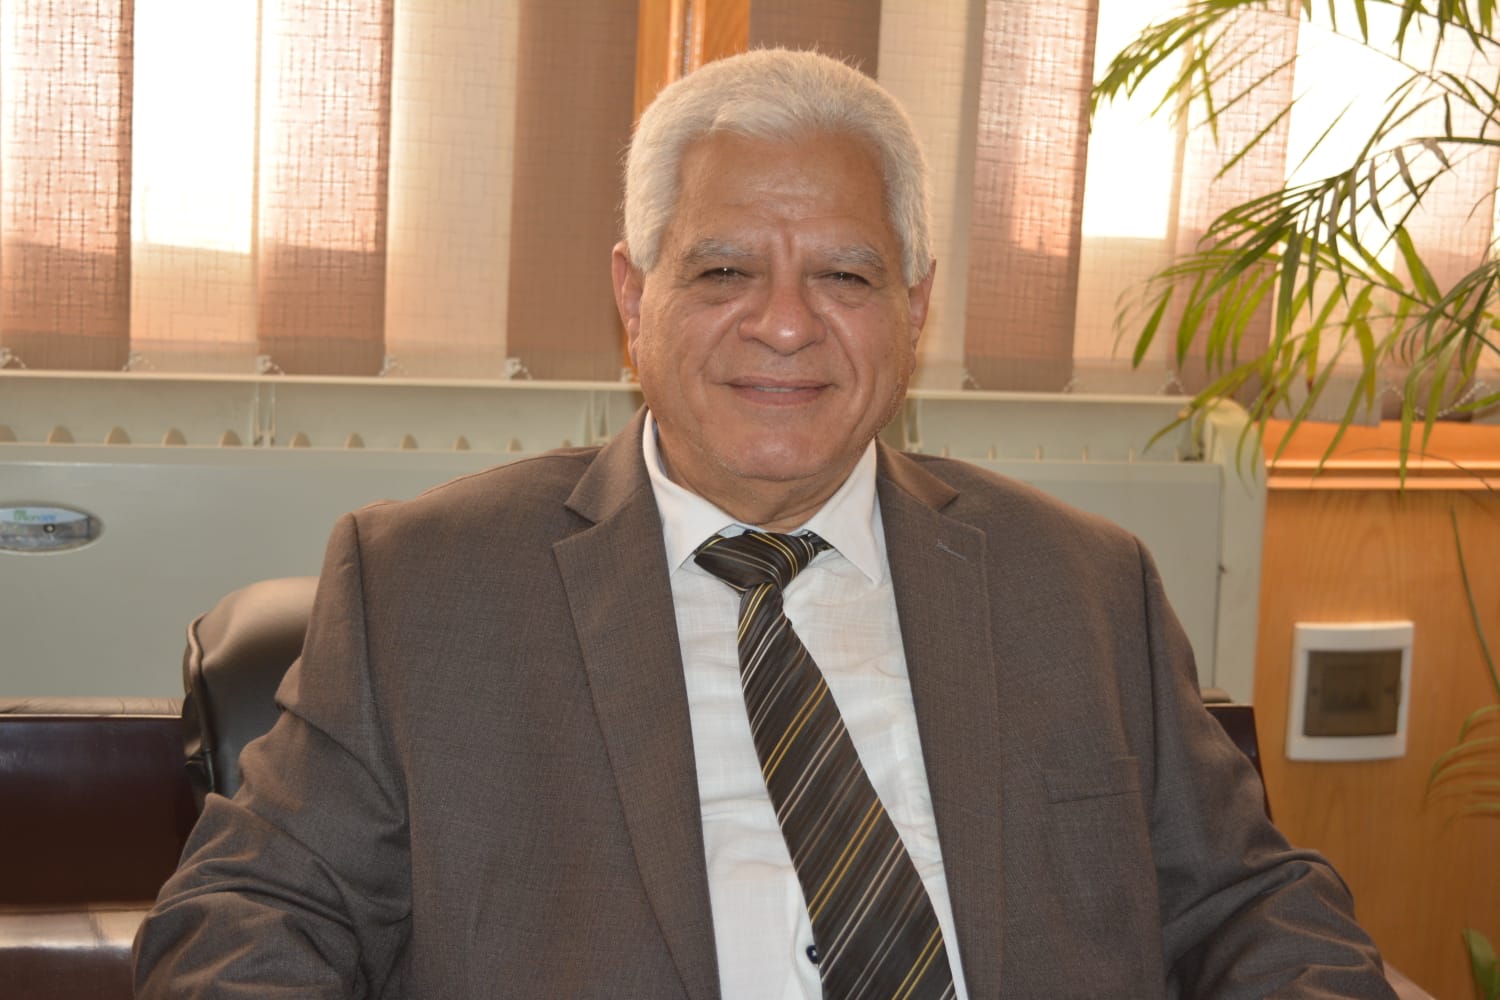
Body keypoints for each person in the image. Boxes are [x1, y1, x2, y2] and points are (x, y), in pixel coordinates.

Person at [134, 48, 1396, 999]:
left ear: (916, 309)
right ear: (634, 296)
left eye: (845, 274)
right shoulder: (426, 587)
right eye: (724, 269)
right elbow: (242, 923)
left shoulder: (1079, 582)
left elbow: (1253, 909)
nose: (785, 323)